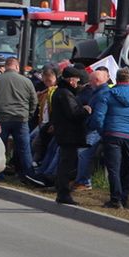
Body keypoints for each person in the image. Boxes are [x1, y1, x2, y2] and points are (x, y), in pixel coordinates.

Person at [91, 67, 129, 209]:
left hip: (112, 134)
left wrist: (103, 132)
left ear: (116, 80)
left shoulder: (108, 95)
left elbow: (98, 117)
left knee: (114, 169)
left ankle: (116, 200)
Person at [0, 56, 43, 186]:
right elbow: (34, 101)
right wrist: (28, 114)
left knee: (0, 148)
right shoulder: (27, 81)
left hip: (1, 119)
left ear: (6, 67)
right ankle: (28, 175)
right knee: (24, 148)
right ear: (17, 67)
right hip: (21, 119)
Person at [51, 67, 92, 205]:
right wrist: (85, 111)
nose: (78, 83)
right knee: (67, 165)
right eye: (76, 80)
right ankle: (63, 193)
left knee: (66, 163)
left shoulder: (64, 92)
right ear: (70, 80)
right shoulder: (65, 94)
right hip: (68, 134)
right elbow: (73, 113)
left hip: (66, 134)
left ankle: (62, 190)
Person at [74, 66, 111, 190]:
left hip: (95, 130)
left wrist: (92, 126)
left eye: (91, 81)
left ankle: (84, 182)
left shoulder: (101, 94)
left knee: (84, 154)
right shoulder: (100, 92)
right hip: (96, 128)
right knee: (84, 154)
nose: (89, 83)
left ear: (96, 81)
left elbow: (98, 116)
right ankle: (82, 180)